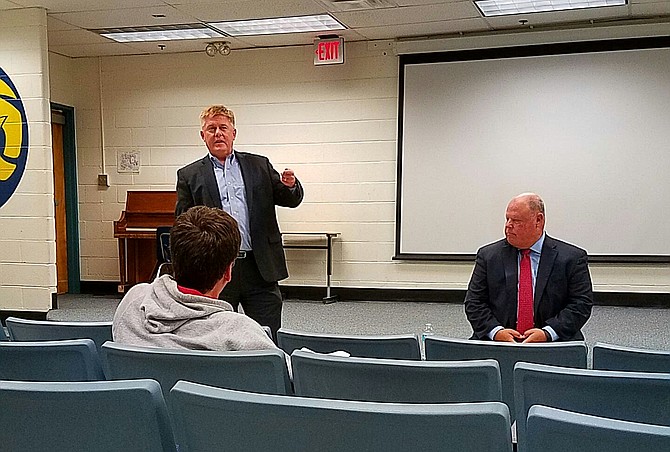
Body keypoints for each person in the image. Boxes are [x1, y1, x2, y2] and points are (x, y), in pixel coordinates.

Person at [175, 105, 304, 339]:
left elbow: (289, 199)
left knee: (267, 334)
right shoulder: (189, 175)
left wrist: (291, 186)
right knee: (216, 335)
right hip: (215, 268)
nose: (218, 133)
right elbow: (184, 224)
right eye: (211, 129)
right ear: (202, 136)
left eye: (223, 128)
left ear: (234, 133)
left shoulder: (259, 165)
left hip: (259, 266)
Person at [112, 206, 277, 352]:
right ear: (228, 272)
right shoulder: (242, 332)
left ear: (174, 258)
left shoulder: (134, 300)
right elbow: (287, 378)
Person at [464, 193, 593, 342]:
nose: (508, 225)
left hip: (554, 340)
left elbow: (580, 305)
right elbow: (474, 302)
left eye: (516, 221)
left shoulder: (572, 258)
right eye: (507, 219)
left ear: (538, 220)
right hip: (497, 340)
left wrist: (548, 333)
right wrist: (496, 332)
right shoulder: (488, 256)